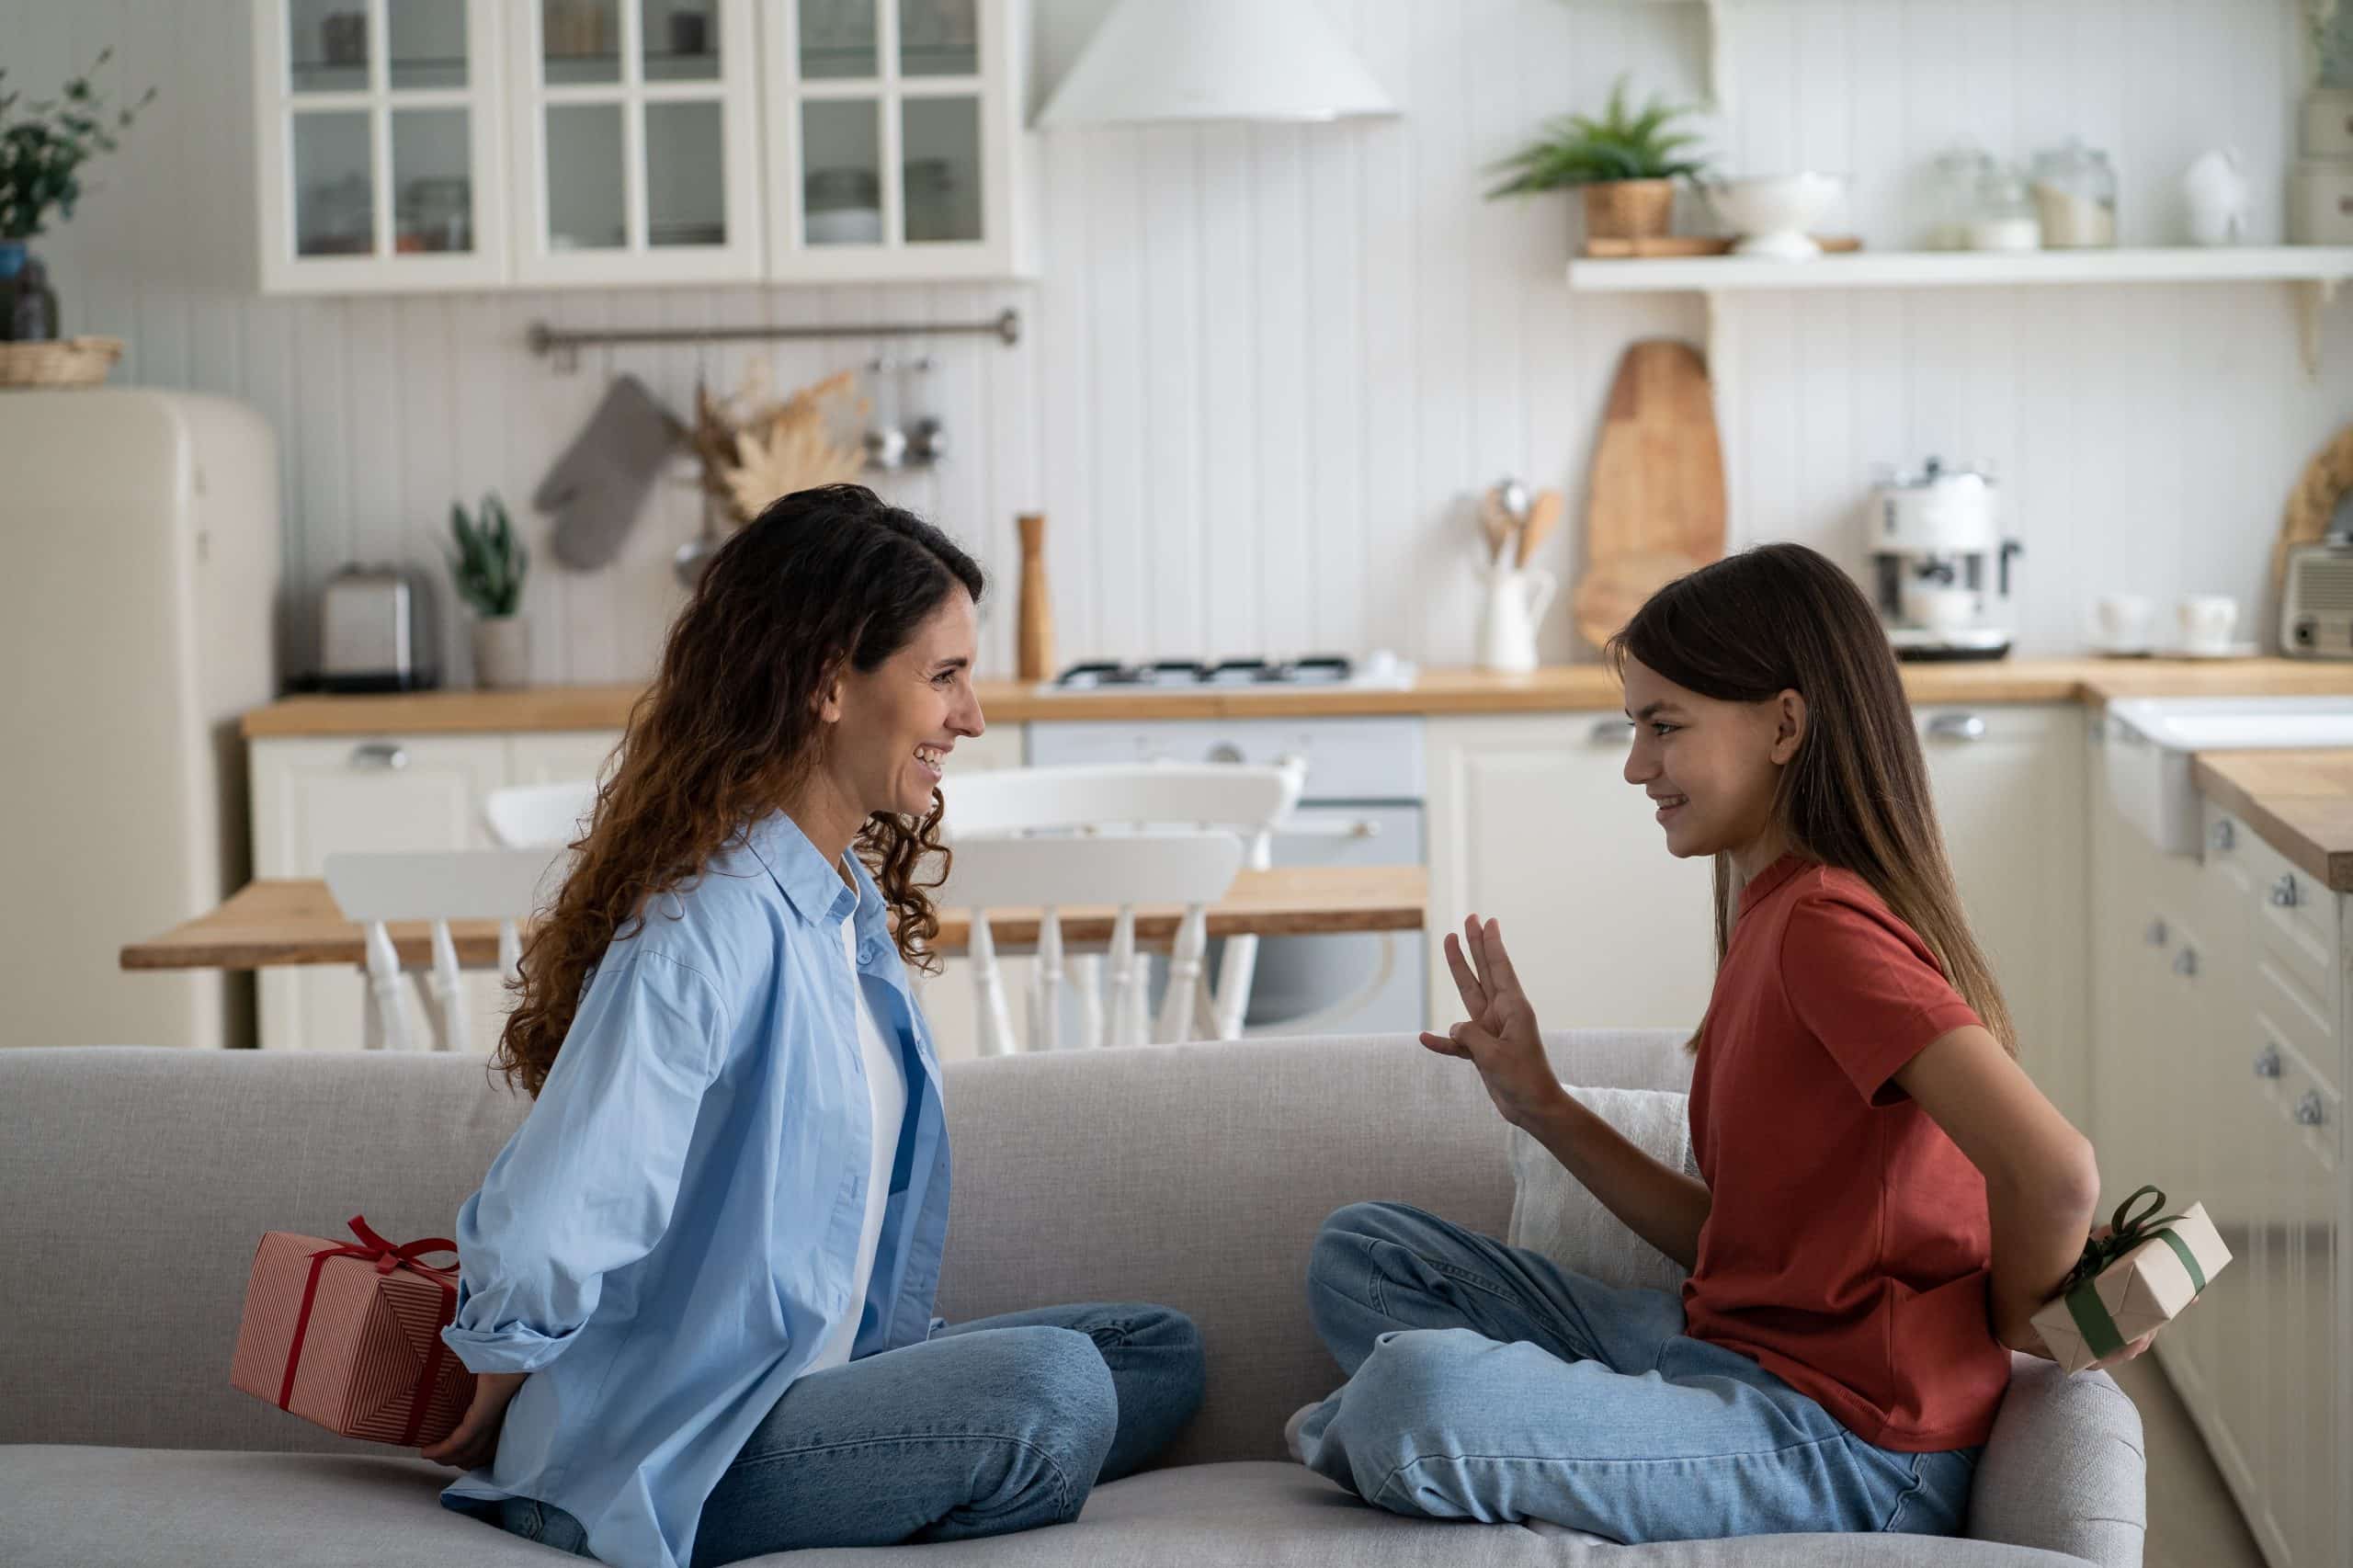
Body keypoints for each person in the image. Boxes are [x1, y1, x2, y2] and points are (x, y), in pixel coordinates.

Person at [1292, 542, 2153, 1542]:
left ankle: (1410, 1435)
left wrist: (2020, 1328)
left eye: (1664, 726)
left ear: (1784, 724)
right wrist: (1542, 1103)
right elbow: (1733, 1245)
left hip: (1846, 1441)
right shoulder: (1773, 911)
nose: (1634, 764)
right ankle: (1556, 1436)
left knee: (1414, 1389)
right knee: (1363, 1252)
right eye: (1632, 727)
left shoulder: (1827, 928)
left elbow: (2054, 1171)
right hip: (1719, 1348)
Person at [421, 485, 1206, 1568]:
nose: (972, 717)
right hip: (691, 1432)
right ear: (830, 683)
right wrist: (503, 1355)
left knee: (1152, 1352)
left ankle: (887, 1461)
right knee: (1053, 1387)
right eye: (944, 676)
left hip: (815, 1377)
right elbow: (567, 1197)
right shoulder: (708, 923)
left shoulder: (839, 904)